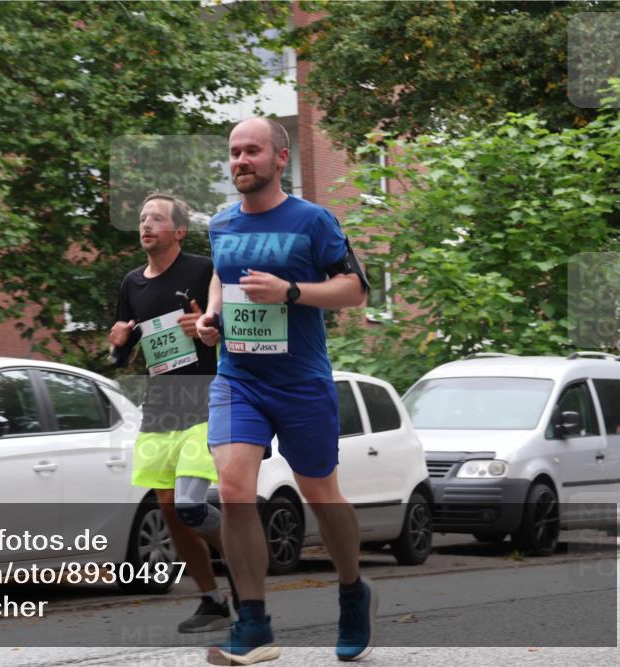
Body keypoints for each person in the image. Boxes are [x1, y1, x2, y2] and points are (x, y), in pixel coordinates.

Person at [195, 118, 374, 665]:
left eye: (252, 151)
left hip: (301, 382)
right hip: (239, 379)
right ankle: (252, 623)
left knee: (321, 495)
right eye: (234, 152)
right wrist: (212, 314)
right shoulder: (221, 224)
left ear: (280, 156)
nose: (241, 161)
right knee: (232, 488)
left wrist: (290, 291)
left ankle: (351, 592)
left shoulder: (313, 220)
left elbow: (356, 291)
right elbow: (223, 276)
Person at [109, 192, 237, 633]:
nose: (145, 225)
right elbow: (124, 356)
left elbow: (228, 330)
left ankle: (244, 558)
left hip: (202, 401)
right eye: (142, 218)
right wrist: (118, 343)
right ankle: (212, 600)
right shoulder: (132, 284)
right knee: (168, 508)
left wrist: (208, 329)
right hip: (160, 408)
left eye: (156, 219)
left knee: (190, 505)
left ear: (179, 231)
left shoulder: (203, 270)